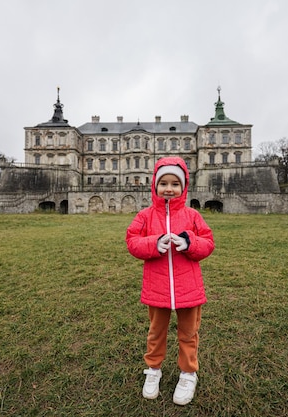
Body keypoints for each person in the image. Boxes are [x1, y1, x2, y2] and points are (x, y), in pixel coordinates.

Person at [126, 156, 215, 406]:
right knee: (156, 332)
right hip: (157, 287)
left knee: (189, 333)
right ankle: (153, 370)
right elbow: (132, 242)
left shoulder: (193, 215)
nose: (168, 188)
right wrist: (153, 243)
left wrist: (189, 243)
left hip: (189, 288)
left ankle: (188, 374)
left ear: (183, 187)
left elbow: (208, 243)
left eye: (175, 184)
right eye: (163, 182)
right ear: (154, 185)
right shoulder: (144, 216)